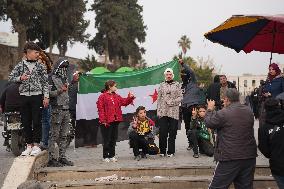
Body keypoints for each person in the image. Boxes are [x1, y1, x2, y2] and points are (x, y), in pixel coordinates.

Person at [205, 88, 257, 189]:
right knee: (245, 186)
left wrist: (210, 109)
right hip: (249, 156)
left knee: (217, 186)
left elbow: (209, 123)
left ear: (227, 99)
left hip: (229, 157)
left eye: (224, 99)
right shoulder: (248, 111)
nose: (223, 101)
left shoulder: (224, 113)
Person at [8, 42, 49, 156]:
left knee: (36, 121)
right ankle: (29, 146)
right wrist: (20, 78)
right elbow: (10, 78)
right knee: (26, 122)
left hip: (37, 96)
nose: (38, 55)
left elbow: (45, 82)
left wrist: (46, 96)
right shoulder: (20, 65)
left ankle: (36, 145)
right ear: (28, 52)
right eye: (36, 52)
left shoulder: (41, 66)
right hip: (24, 96)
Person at [97, 80, 135, 162]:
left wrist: (130, 98)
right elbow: (101, 109)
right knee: (107, 139)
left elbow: (124, 102)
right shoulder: (102, 97)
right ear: (110, 87)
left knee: (113, 139)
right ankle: (105, 156)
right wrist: (103, 120)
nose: (116, 88)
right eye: (115, 86)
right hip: (106, 122)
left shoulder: (117, 96)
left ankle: (112, 155)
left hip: (115, 120)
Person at [47, 58, 73, 167]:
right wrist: (59, 91)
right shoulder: (51, 78)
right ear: (58, 67)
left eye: (66, 68)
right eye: (62, 67)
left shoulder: (65, 79)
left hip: (66, 110)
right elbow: (47, 93)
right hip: (56, 109)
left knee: (64, 135)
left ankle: (62, 157)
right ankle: (52, 159)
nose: (64, 69)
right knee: (54, 135)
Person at [258, 98, 284, 188]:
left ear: (265, 110)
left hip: (278, 166)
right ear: (279, 106)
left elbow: (263, 148)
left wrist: (274, 154)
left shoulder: (263, 129)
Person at [157, 68, 182, 157]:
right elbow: (159, 98)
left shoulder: (177, 85)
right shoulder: (161, 85)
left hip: (173, 112)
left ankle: (171, 151)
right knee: (163, 132)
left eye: (170, 74)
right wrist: (158, 111)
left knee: (172, 132)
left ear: (172, 75)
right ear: (165, 75)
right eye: (167, 74)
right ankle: (162, 151)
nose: (168, 76)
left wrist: (172, 102)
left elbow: (180, 97)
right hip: (163, 112)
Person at [179, 58, 203, 151]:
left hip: (193, 106)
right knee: (187, 127)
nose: (182, 76)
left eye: (184, 74)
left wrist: (183, 64)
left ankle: (198, 143)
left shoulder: (193, 81)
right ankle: (191, 143)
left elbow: (191, 72)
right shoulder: (181, 85)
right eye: (181, 75)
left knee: (195, 125)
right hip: (184, 107)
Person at [38, 50, 53, 150]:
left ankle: (44, 142)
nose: (39, 63)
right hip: (34, 99)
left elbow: (49, 88)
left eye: (41, 61)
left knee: (45, 120)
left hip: (45, 100)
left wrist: (46, 97)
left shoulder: (49, 75)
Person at [0, 82, 22, 146]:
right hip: (20, 109)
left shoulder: (8, 87)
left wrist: (4, 111)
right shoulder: (24, 87)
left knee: (6, 119)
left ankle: (6, 138)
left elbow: (2, 100)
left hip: (9, 109)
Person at [68, 71, 80, 143]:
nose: (75, 76)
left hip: (79, 107)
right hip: (70, 107)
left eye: (77, 75)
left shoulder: (81, 84)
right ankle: (71, 136)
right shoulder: (70, 85)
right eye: (75, 75)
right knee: (71, 123)